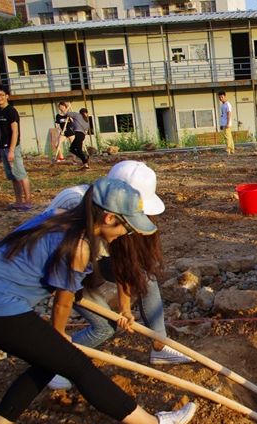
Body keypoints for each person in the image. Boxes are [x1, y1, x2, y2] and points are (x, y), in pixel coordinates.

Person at [0, 177, 197, 424]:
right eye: (125, 226)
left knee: (49, 363)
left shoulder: (59, 217)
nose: (125, 234)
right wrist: (59, 334)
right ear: (109, 218)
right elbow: (62, 303)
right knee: (77, 365)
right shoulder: (79, 246)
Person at [44, 161, 194, 390]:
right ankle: (56, 363)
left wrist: (125, 309)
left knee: (145, 278)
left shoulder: (118, 220)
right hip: (63, 269)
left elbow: (125, 264)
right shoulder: (73, 202)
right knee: (104, 326)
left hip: (94, 259)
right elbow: (47, 254)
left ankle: (160, 346)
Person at [0, 85, 33, 211]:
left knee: (21, 175)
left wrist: (11, 150)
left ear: (7, 96)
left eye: (1, 95)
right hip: (3, 148)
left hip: (12, 148)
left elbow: (15, 132)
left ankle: (28, 202)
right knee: (13, 176)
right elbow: (0, 133)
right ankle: (18, 202)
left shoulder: (11, 111)